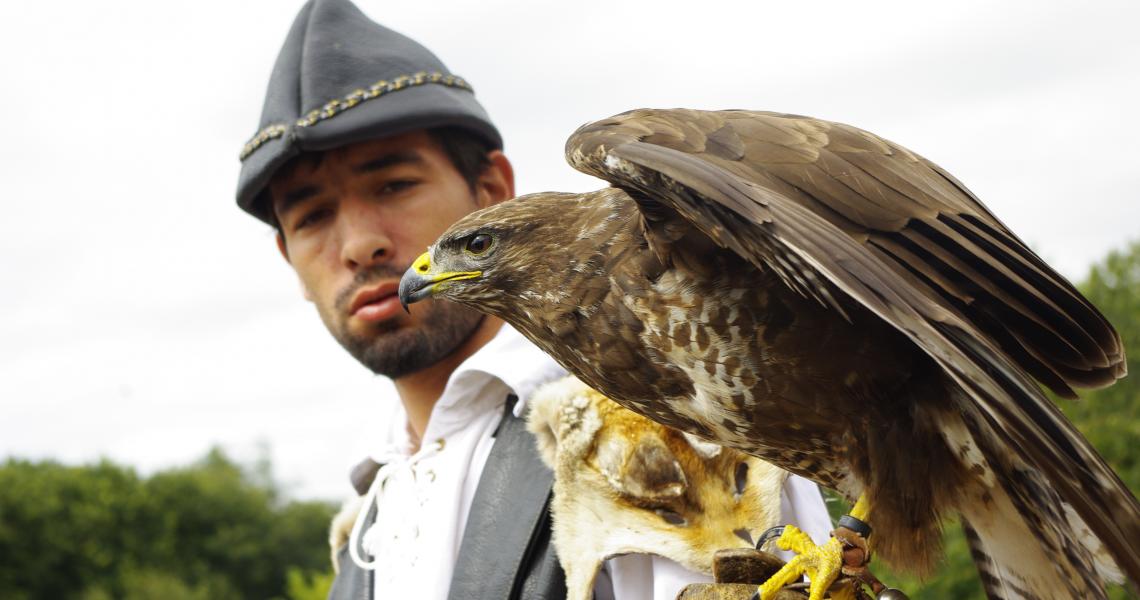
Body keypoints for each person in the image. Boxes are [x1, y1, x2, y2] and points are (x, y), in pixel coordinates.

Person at [235, 0, 834, 598]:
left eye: (393, 185)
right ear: (289, 258)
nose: (360, 244)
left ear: (491, 189)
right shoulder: (365, 522)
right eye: (312, 216)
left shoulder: (673, 425)